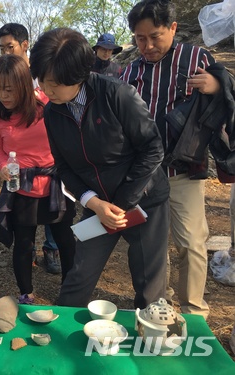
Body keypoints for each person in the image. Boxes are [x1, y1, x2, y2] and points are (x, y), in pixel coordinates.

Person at [30, 28, 170, 309]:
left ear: (80, 74)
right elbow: (63, 167)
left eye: (55, 82)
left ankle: (150, 337)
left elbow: (152, 148)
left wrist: (120, 205)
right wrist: (93, 203)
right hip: (97, 204)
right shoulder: (52, 111)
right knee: (79, 274)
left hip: (144, 201)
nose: (48, 90)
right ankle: (60, 338)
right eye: (42, 81)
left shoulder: (117, 95)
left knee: (148, 281)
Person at [121, 0, 233, 317]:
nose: (148, 45)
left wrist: (216, 84)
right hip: (145, 175)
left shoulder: (197, 57)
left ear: (172, 28)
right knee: (152, 246)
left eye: (155, 36)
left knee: (193, 244)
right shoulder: (130, 71)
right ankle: (160, 303)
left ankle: (193, 309)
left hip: (183, 169)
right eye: (140, 38)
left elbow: (229, 92)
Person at [0, 54, 77, 305]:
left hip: (54, 184)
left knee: (65, 240)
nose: (4, 96)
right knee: (24, 243)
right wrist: (4, 165)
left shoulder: (47, 106)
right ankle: (25, 292)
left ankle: (69, 291)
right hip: (22, 186)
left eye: (9, 89)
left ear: (25, 85)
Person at [0, 22, 62, 274]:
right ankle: (30, 254)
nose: (6, 53)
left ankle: (51, 248)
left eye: (10, 47)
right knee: (25, 231)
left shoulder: (42, 75)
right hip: (22, 177)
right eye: (2, 48)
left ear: (25, 45)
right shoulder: (4, 89)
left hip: (52, 172)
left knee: (57, 219)